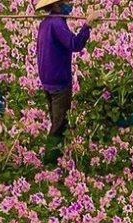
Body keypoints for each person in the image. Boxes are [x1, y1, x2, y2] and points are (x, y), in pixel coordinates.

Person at [34, 0, 102, 165]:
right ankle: (50, 163)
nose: (70, 4)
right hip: (59, 82)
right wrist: (87, 26)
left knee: (56, 119)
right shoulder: (57, 23)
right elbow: (75, 44)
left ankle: (58, 155)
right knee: (59, 124)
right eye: (66, 1)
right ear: (56, 5)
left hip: (47, 80)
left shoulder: (46, 23)